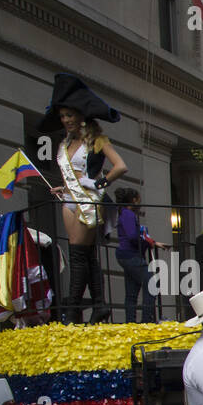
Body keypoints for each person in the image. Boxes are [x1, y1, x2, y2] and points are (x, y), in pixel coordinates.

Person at [38, 72, 127, 324]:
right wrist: (61, 187)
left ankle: (72, 309)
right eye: (63, 116)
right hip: (69, 199)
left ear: (81, 116)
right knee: (86, 255)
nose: (66, 120)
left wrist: (100, 183)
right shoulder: (64, 145)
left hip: (88, 200)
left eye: (70, 115)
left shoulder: (97, 140)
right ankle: (98, 305)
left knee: (78, 255)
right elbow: (71, 175)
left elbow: (121, 166)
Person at [114, 187, 170, 323]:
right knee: (151, 283)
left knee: (132, 290)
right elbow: (133, 237)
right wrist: (148, 243)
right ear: (134, 200)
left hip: (127, 254)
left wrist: (153, 242)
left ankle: (131, 322)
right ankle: (147, 320)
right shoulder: (128, 214)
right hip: (130, 254)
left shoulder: (124, 213)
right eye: (138, 199)